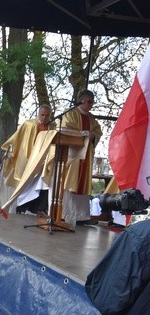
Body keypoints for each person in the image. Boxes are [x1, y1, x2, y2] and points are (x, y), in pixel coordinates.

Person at [0, 104, 53, 214]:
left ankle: (38, 208)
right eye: (42, 115)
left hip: (42, 163)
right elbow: (17, 138)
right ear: (38, 114)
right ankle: (21, 208)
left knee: (42, 184)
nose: (44, 118)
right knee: (24, 185)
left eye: (47, 116)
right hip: (27, 160)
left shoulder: (52, 128)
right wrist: (10, 151)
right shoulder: (28, 125)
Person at [61, 89, 102, 224]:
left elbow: (97, 132)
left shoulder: (91, 119)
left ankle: (82, 217)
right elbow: (65, 130)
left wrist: (93, 135)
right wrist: (84, 133)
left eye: (92, 102)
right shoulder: (70, 114)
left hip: (86, 157)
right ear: (81, 101)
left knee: (82, 185)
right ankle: (67, 214)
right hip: (73, 155)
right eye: (89, 102)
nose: (91, 105)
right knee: (70, 184)